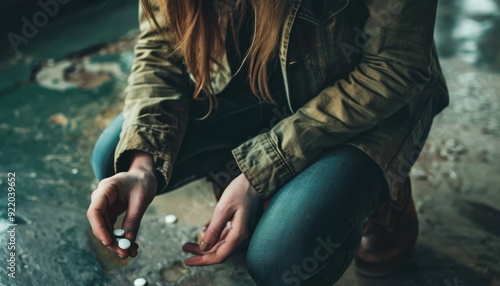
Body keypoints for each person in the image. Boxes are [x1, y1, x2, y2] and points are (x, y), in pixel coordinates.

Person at [87, 0, 449, 284]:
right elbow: (161, 48)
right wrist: (141, 167)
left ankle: (387, 203)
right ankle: (246, 197)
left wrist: (257, 171)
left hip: (367, 100)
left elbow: (395, 68)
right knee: (114, 159)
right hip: (249, 85)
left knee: (282, 261)